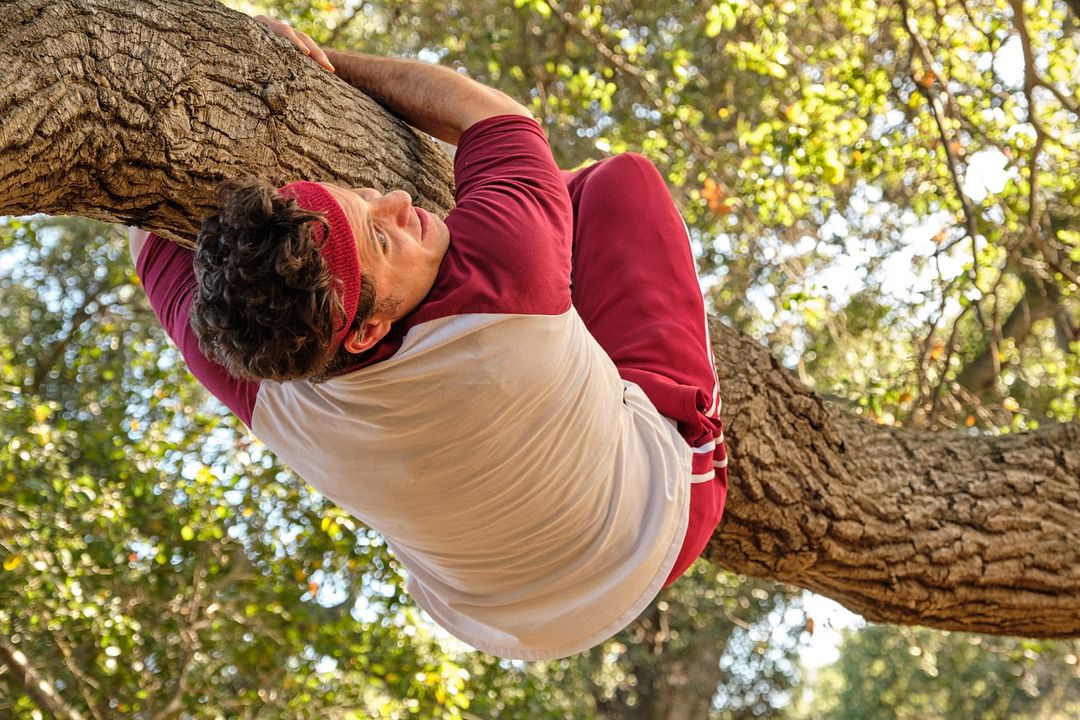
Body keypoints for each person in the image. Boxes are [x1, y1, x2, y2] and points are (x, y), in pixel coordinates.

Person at [129, 15, 727, 661]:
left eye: (360, 194)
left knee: (558, 207)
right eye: (383, 237)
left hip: (512, 629)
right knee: (616, 183)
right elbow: (491, 117)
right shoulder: (503, 272)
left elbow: (142, 226)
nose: (394, 199)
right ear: (367, 330)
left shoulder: (267, 392)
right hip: (659, 520)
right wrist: (320, 58)